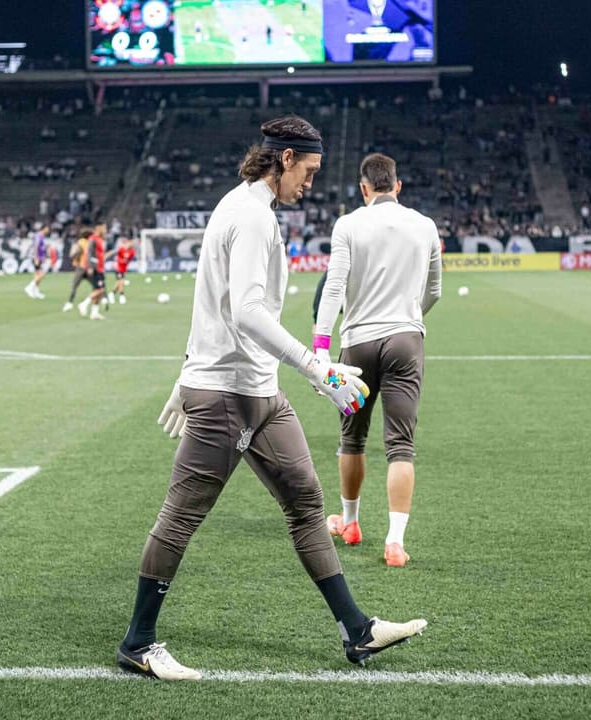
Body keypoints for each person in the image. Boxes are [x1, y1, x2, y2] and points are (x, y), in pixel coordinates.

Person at [117, 116, 426, 682]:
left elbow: (211, 299)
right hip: (229, 395)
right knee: (182, 516)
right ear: (284, 159)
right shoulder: (252, 216)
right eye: (307, 171)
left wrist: (188, 369)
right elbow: (244, 310)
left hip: (259, 392)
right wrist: (317, 367)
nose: (310, 183)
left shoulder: (241, 207)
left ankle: (356, 631)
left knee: (307, 504)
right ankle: (138, 642)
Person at [313, 153, 442, 568]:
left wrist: (320, 349)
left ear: (364, 188)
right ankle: (395, 542)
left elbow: (333, 289)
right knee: (401, 445)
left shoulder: (348, 224)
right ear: (398, 186)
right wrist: (409, 316)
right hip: (406, 338)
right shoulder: (424, 225)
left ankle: (350, 522)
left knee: (352, 438)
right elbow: (434, 291)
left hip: (358, 343)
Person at [76, 224, 108, 320]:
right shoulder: (93, 239)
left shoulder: (100, 239)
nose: (105, 230)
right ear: (98, 228)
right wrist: (89, 267)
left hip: (100, 268)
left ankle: (94, 312)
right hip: (95, 268)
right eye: (104, 228)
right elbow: (88, 253)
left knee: (97, 290)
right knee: (101, 290)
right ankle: (84, 304)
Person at [25, 225, 57, 300]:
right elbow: (36, 246)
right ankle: (29, 287)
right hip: (36, 257)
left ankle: (35, 291)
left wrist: (44, 255)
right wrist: (36, 258)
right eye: (47, 229)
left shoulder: (42, 236)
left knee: (37, 274)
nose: (48, 230)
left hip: (40, 257)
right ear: (44, 228)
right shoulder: (39, 235)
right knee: (41, 274)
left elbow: (41, 247)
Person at [62, 231, 91, 312]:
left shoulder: (81, 242)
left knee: (74, 286)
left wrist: (74, 257)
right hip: (88, 267)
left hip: (81, 267)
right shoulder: (88, 242)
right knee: (96, 286)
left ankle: (69, 303)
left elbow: (76, 252)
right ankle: (103, 299)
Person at [109, 236, 136, 305]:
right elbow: (116, 256)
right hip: (118, 268)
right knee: (121, 281)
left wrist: (124, 261)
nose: (129, 244)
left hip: (123, 269)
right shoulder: (121, 249)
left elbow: (128, 260)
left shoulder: (132, 251)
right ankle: (122, 295)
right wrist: (114, 263)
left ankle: (112, 294)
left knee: (119, 282)